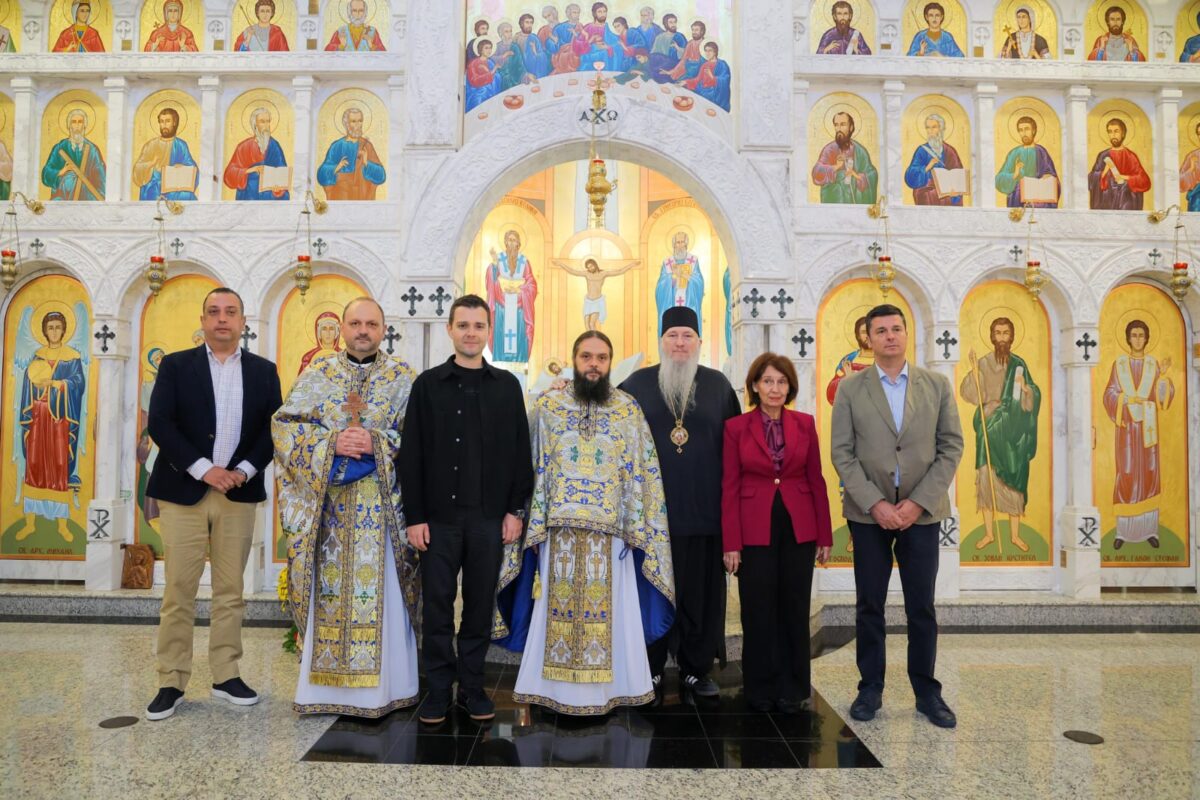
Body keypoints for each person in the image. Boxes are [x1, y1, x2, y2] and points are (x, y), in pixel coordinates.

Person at [493, 330, 674, 715]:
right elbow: (528, 465)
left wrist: (637, 527)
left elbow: (644, 474)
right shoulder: (548, 407)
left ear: (611, 363)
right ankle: (552, 692)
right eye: (587, 356)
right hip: (557, 533)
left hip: (613, 538)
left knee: (614, 614)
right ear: (574, 360)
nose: (594, 364)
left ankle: (613, 691)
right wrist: (530, 523)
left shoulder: (629, 410)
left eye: (602, 358)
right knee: (553, 613)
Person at [273, 297, 420, 717]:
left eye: (371, 323)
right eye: (355, 322)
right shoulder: (318, 374)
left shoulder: (403, 378)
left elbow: (422, 439)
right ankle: (323, 691)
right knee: (331, 595)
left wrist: (377, 442)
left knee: (386, 596)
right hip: (330, 512)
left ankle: (389, 688)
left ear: (383, 328)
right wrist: (330, 444)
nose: (362, 330)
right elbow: (285, 428)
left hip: (385, 513)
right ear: (341, 326)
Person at [144, 287, 283, 721]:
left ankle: (226, 675)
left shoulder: (264, 371)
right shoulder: (176, 365)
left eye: (231, 312)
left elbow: (273, 428)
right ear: (202, 321)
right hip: (184, 491)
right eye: (214, 312)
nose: (222, 319)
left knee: (230, 591)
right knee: (178, 590)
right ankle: (171, 679)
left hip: (238, 494)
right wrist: (204, 468)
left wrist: (241, 470)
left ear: (244, 321)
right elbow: (161, 424)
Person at [398, 294, 533, 724]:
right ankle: (438, 690)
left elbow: (519, 454)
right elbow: (412, 454)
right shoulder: (427, 386)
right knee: (437, 607)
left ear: (488, 331)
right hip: (438, 520)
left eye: (478, 326)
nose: (471, 333)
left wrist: (515, 510)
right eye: (464, 325)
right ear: (450, 330)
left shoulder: (507, 386)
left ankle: (472, 689)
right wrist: (414, 516)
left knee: (477, 608)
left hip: (488, 521)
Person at [830, 304, 963, 729]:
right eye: (880, 330)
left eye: (896, 328)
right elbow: (842, 454)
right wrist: (876, 504)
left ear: (907, 335)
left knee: (920, 605)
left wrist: (917, 503)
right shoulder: (851, 389)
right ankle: (870, 688)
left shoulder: (937, 385)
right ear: (868, 338)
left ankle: (927, 692)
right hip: (869, 515)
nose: (889, 336)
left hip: (921, 515)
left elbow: (951, 448)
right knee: (870, 603)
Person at [619, 307, 740, 704]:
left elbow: (735, 452)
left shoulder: (719, 386)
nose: (680, 343)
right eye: (673, 336)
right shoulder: (636, 384)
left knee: (701, 596)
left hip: (704, 514)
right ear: (661, 341)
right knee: (649, 594)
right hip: (650, 518)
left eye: (688, 336)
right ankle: (649, 668)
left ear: (700, 342)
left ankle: (695, 668)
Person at [723, 353, 832, 713]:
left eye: (781, 382)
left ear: (790, 387)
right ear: (755, 385)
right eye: (768, 381)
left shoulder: (804, 423)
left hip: (799, 527)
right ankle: (759, 688)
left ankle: (793, 687)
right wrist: (731, 543)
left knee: (794, 606)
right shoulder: (736, 428)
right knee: (758, 609)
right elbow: (730, 486)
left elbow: (816, 479)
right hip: (754, 527)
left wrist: (825, 535)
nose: (774, 388)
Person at [959, 317, 1040, 553]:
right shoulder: (983, 363)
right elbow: (972, 395)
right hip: (989, 428)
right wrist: (974, 373)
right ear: (992, 337)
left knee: (1014, 484)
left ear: (1012, 337)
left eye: (1006, 333)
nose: (1002, 337)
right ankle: (988, 534)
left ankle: (1014, 535)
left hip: (1013, 433)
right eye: (998, 333)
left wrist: (1027, 391)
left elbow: (1033, 394)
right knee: (987, 480)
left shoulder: (1020, 364)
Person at [1103, 320, 1175, 549]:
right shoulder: (1120, 364)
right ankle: (1123, 533)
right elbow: (1109, 394)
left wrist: (1163, 378)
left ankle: (1150, 530)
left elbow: (1163, 396)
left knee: (1149, 474)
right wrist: (1125, 399)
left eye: (1141, 335)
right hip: (1126, 430)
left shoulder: (1154, 365)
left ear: (1146, 338)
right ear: (1127, 338)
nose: (1137, 339)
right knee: (1126, 474)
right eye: (1133, 335)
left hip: (1147, 429)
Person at [484, 230, 537, 363]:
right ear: (505, 242)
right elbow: (492, 279)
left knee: (519, 335)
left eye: (514, 240)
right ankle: (500, 360)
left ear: (519, 244)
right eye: (509, 240)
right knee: (502, 334)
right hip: (502, 306)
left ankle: (519, 361)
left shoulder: (524, 262)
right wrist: (494, 265)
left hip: (519, 306)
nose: (512, 243)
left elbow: (532, 284)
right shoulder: (499, 259)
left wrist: (521, 290)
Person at [316, 107, 385, 201]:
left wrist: (366, 163)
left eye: (360, 121)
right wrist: (336, 167)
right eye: (354, 121)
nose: (358, 125)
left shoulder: (367, 146)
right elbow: (321, 175)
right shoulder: (337, 146)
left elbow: (381, 175)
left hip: (362, 197)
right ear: (346, 124)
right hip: (340, 197)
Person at [222, 107, 290, 201]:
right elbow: (229, 174)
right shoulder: (243, 146)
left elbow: (282, 171)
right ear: (255, 125)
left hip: (269, 197)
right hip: (248, 196)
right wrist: (250, 170)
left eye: (268, 121)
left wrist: (278, 189)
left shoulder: (274, 146)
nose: (266, 125)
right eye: (262, 121)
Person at [132, 107, 199, 202]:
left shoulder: (180, 145)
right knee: (155, 192)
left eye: (167, 121)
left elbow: (193, 168)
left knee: (187, 196)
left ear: (174, 123)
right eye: (161, 121)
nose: (164, 125)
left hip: (174, 186)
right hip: (154, 186)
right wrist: (151, 164)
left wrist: (182, 167)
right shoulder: (151, 144)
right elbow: (137, 169)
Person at [812, 111, 879, 205]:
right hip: (835, 202)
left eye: (843, 125)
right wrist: (836, 167)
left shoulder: (860, 151)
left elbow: (872, 174)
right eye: (836, 125)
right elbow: (816, 173)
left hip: (855, 203)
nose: (839, 129)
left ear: (851, 127)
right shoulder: (829, 149)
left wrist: (855, 175)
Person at [41, 108, 106, 201]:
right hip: (62, 195)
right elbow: (46, 173)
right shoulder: (60, 148)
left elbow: (101, 177)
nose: (77, 125)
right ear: (69, 125)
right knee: (69, 178)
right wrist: (60, 172)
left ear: (84, 125)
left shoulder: (92, 150)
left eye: (80, 122)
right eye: (73, 122)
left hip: (85, 195)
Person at [995, 115, 1059, 208]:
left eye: (1027, 129)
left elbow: (1054, 179)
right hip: (1017, 200)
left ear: (1033, 130)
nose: (1024, 133)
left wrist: (1048, 177)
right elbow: (999, 180)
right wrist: (1014, 175)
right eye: (1020, 130)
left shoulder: (1041, 152)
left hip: (1038, 200)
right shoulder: (1014, 153)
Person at [1087, 118, 1151, 211]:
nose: (1113, 135)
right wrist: (1104, 172)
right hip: (1106, 202)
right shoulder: (1103, 155)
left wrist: (1125, 177)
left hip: (1125, 201)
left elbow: (1144, 181)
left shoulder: (1130, 156)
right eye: (1110, 132)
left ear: (1123, 133)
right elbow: (1091, 180)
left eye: (1116, 131)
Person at [904, 113, 964, 207]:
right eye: (928, 127)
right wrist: (928, 167)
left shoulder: (950, 151)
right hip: (926, 189)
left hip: (947, 190)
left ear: (941, 129)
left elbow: (958, 173)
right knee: (929, 194)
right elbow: (911, 176)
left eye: (934, 127)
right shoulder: (922, 150)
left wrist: (955, 190)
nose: (930, 131)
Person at [654, 231, 704, 337]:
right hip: (671, 308)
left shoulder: (693, 261)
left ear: (686, 244)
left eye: (682, 242)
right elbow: (660, 288)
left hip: (689, 308)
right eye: (678, 242)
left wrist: (686, 276)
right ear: (673, 245)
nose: (680, 245)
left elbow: (699, 283)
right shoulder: (667, 263)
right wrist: (672, 278)